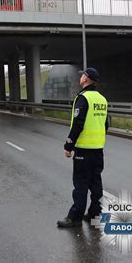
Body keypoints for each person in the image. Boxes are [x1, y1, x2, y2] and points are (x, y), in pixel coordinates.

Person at [57, 68, 108, 228]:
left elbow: (78, 124)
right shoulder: (102, 99)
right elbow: (106, 124)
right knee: (96, 182)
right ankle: (95, 213)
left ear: (86, 79)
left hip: (83, 150)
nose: (81, 77)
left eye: (82, 75)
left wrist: (69, 145)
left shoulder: (83, 98)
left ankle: (75, 217)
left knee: (80, 184)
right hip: (98, 149)